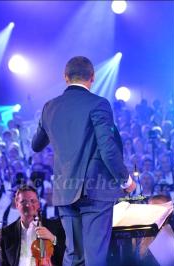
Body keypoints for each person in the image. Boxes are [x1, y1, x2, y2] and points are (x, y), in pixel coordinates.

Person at [32, 56, 136, 266]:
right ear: (93, 77)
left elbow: (36, 145)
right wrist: (126, 181)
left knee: (74, 255)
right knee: (95, 258)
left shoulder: (49, 107)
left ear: (65, 77)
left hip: (65, 191)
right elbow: (108, 149)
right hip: (95, 190)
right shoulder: (98, 104)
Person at [0, 185, 65, 266]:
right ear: (17, 204)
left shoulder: (54, 227)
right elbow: (2, 263)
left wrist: (52, 238)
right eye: (23, 201)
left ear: (38, 204)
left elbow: (66, 255)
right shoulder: (6, 233)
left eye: (32, 201)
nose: (28, 205)